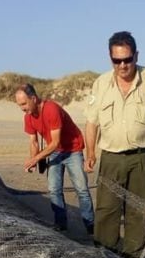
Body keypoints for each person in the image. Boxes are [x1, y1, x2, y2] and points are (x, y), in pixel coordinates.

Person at [84, 31, 145, 258]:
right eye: (117, 60)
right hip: (110, 157)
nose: (122, 65)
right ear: (110, 59)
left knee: (138, 210)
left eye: (127, 59)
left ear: (136, 56)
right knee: (107, 211)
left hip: (142, 157)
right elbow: (91, 122)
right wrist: (90, 153)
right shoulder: (101, 84)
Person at [15, 83, 94, 234]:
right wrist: (33, 159)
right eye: (19, 105)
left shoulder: (51, 109)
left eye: (24, 104)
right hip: (54, 152)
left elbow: (55, 142)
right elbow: (34, 141)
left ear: (33, 98)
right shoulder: (28, 117)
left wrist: (36, 158)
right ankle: (60, 223)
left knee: (82, 189)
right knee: (54, 189)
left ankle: (90, 223)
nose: (23, 108)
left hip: (73, 149)